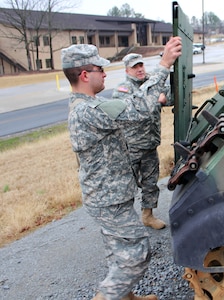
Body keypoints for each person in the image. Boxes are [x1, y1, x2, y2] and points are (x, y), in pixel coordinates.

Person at [61, 37, 182, 300]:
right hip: (108, 200)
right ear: (84, 74)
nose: (105, 74)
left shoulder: (89, 105)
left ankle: (126, 298)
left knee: (117, 251)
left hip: (110, 196)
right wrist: (163, 64)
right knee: (136, 254)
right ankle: (106, 296)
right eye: (99, 69)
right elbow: (139, 108)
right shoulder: (87, 111)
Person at [112, 53, 173, 230]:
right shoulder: (122, 89)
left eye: (141, 66)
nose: (139, 70)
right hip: (131, 147)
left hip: (150, 145)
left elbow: (168, 97)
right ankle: (124, 220)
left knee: (150, 183)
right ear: (127, 70)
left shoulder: (150, 84)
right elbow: (135, 110)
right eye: (135, 67)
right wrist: (156, 99)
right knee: (126, 185)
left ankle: (148, 215)